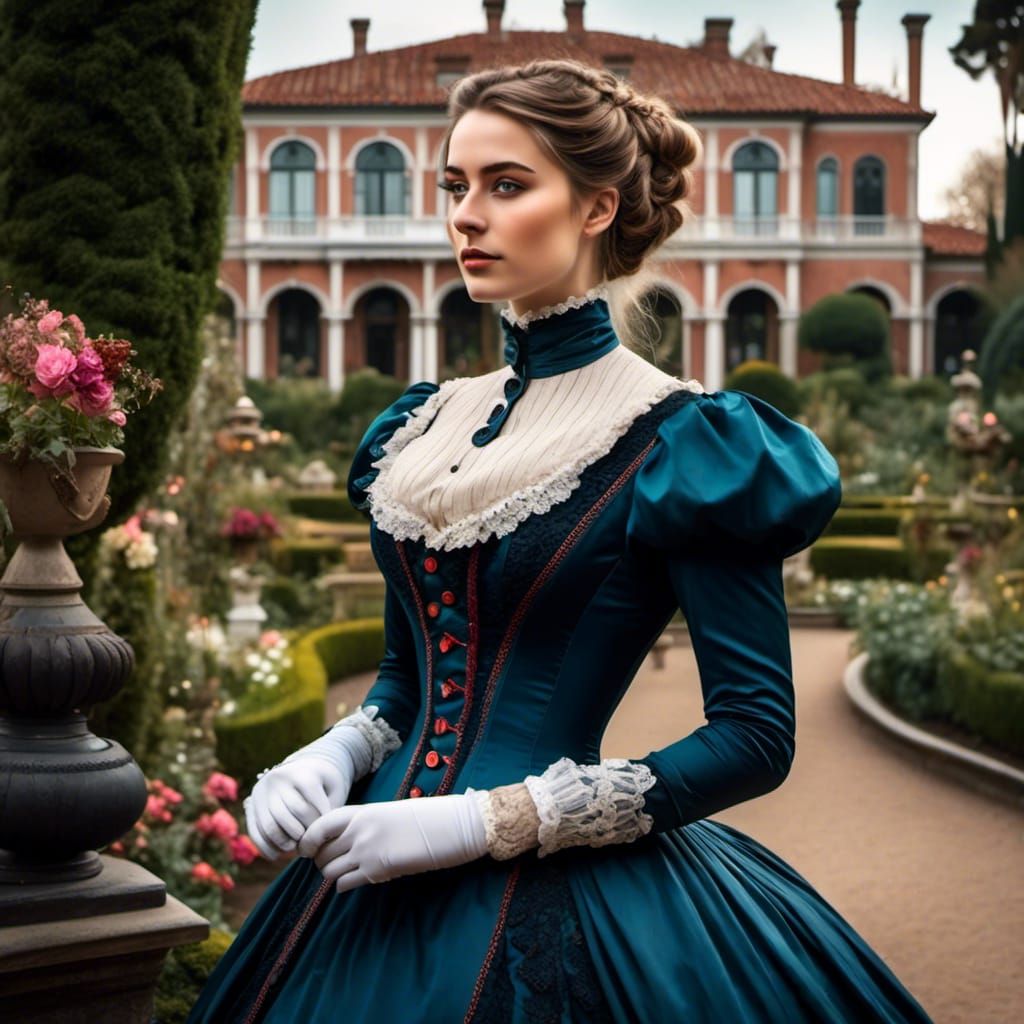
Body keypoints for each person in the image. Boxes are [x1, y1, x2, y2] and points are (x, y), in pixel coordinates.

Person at [187, 59, 934, 1023]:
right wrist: (334, 752)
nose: (465, 215)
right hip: (358, 881)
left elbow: (755, 737)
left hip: (561, 892)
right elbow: (409, 679)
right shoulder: (422, 427)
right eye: (456, 187)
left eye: (507, 185)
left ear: (595, 208)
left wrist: (480, 820)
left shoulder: (689, 443)